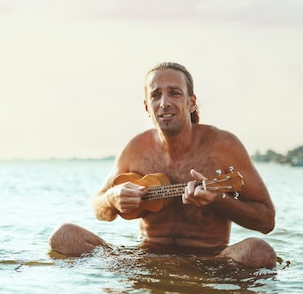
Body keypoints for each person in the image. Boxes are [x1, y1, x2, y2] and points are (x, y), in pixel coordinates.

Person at [48, 62, 277, 269]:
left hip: (210, 260)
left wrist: (219, 200)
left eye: (174, 93)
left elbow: (267, 220)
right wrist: (112, 197)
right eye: (156, 95)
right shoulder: (136, 148)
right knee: (64, 236)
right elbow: (100, 209)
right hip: (147, 257)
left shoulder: (223, 146)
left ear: (191, 102)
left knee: (259, 252)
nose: (164, 103)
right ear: (147, 106)